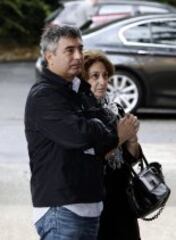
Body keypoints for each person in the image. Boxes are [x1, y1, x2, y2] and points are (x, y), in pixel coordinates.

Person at [24, 25, 137, 240]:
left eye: (80, 48)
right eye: (69, 50)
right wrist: (111, 133)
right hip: (63, 210)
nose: (78, 56)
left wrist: (99, 130)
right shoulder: (44, 95)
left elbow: (102, 133)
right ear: (50, 56)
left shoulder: (80, 91)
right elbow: (81, 136)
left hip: (90, 208)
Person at [80, 50, 141, 240]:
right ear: (82, 80)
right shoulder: (79, 114)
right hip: (96, 201)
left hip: (122, 200)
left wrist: (132, 140)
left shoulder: (116, 109)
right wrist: (120, 138)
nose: (103, 81)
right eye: (95, 76)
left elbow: (131, 159)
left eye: (105, 75)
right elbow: (89, 159)